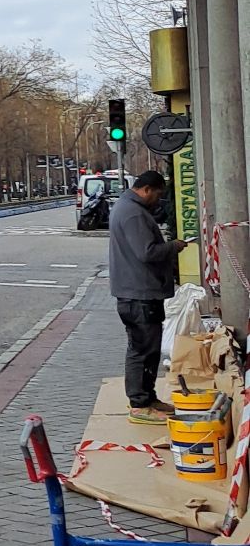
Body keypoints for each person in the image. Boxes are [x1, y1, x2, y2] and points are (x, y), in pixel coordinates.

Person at [107, 169, 188, 422]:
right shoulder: (133, 213)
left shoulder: (128, 208)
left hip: (137, 291)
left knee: (148, 349)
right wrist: (173, 247)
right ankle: (140, 404)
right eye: (157, 194)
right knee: (142, 349)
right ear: (147, 190)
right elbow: (147, 252)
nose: (157, 200)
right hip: (138, 294)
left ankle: (148, 398)